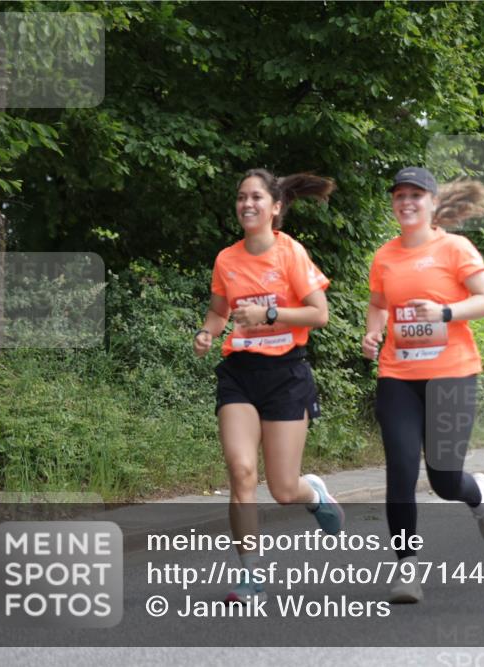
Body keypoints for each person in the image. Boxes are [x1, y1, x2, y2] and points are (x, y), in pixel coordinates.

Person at [193, 169, 343, 604]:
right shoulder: (227, 259)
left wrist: (270, 316)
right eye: (241, 197)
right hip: (239, 373)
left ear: (275, 207)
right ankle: (250, 577)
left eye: (256, 197)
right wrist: (207, 333)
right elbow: (219, 310)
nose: (247, 204)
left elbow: (319, 314)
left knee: (281, 489)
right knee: (241, 473)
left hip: (286, 375)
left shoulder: (290, 252)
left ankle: (311, 492)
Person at [362, 167, 484, 604]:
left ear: (432, 202)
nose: (406, 202)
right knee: (401, 471)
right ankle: (406, 569)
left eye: (415, 195)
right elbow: (378, 303)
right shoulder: (385, 256)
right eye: (399, 195)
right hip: (398, 374)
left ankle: (478, 495)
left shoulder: (455, 248)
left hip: (452, 374)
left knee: (443, 479)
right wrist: (373, 331)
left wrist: (444, 313)